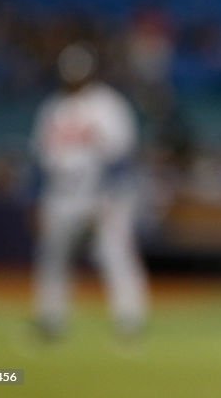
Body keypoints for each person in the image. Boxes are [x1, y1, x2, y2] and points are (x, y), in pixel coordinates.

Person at [30, 42, 148, 340]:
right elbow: (40, 160)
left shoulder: (108, 105)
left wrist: (111, 198)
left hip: (103, 195)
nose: (73, 78)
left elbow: (121, 156)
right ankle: (50, 319)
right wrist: (37, 201)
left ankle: (129, 320)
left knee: (114, 255)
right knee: (53, 258)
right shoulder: (53, 108)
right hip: (60, 195)